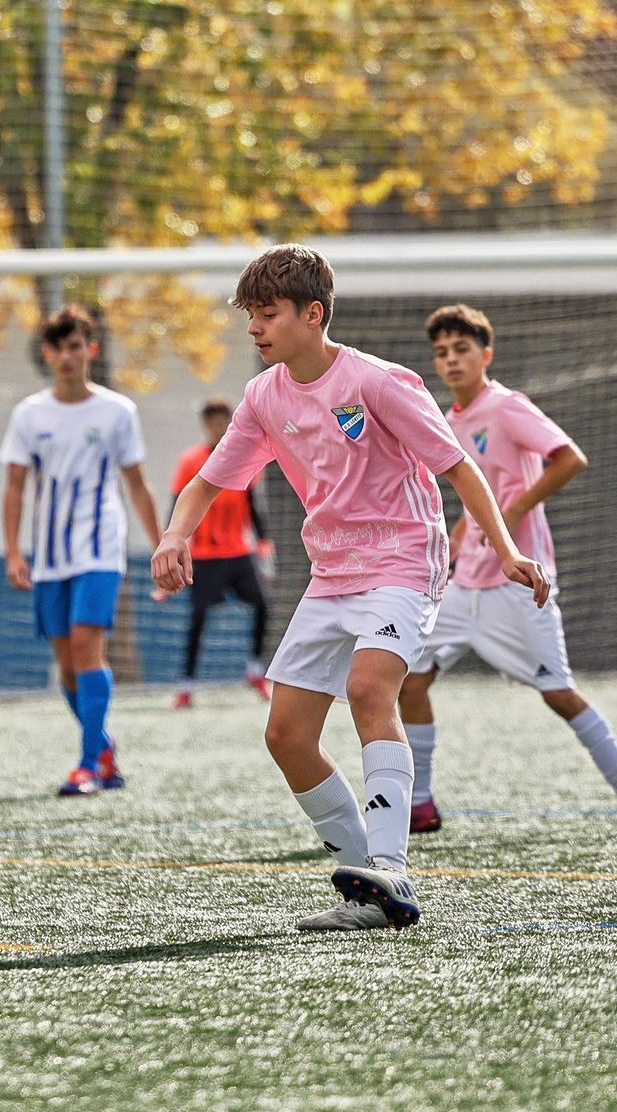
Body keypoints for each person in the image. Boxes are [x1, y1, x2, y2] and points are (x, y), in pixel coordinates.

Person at [154, 245, 548, 933]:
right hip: (331, 573)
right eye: (250, 315)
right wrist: (173, 536)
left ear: (313, 314)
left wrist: (508, 549)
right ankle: (368, 890)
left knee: (369, 689)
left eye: (268, 313)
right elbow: (208, 481)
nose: (254, 327)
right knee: (286, 734)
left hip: (403, 559)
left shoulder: (379, 382)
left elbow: (460, 469)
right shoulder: (263, 396)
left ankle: (391, 867)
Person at [401, 304, 616, 832]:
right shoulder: (450, 420)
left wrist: (514, 511)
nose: (451, 360)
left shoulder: (507, 407)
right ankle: (420, 805)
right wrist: (455, 541)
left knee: (559, 694)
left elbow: (570, 458)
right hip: (464, 585)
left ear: (486, 355)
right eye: (442, 353)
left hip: (518, 582)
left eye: (462, 349)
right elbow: (473, 495)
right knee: (409, 678)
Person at [0, 305, 162, 796]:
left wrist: (162, 546)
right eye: (59, 348)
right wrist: (13, 552)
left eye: (76, 346)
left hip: (100, 550)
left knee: (88, 648)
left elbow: (137, 485)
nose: (68, 356)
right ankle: (103, 747)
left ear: (90, 350)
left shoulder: (117, 411)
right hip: (50, 556)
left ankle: (88, 764)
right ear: (47, 354)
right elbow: (14, 486)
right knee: (67, 664)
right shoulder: (29, 414)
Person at [168, 398, 274, 708]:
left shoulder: (244, 458)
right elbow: (178, 505)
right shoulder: (190, 461)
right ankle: (186, 685)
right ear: (205, 426)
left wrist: (263, 542)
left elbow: (253, 505)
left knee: (262, 605)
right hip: (204, 556)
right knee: (198, 617)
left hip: (238, 553)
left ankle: (255, 671)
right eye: (212, 422)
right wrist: (172, 543)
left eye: (223, 421)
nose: (218, 427)